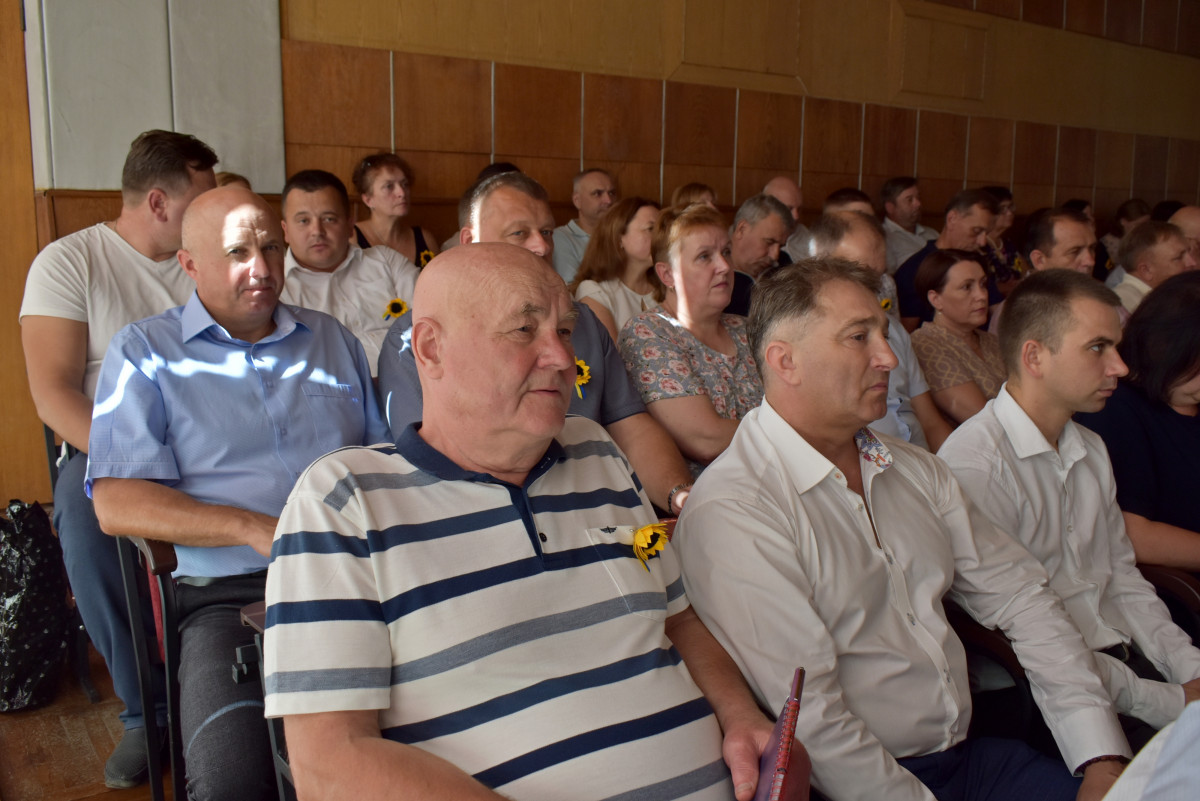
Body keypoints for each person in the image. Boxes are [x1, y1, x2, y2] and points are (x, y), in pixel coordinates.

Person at [262, 243, 795, 801]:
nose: (562, 357)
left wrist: (740, 715)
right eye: (523, 330)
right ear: (431, 348)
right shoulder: (344, 500)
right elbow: (330, 764)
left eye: (565, 330)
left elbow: (678, 620)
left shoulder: (596, 451)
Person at [674, 258, 1132, 801]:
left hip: (969, 759)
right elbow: (813, 719)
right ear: (785, 361)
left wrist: (1099, 755)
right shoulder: (737, 507)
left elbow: (1023, 599)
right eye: (858, 337)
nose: (889, 357)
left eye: (884, 333)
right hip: (857, 784)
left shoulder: (915, 469)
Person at [86, 186, 389, 801]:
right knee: (233, 781)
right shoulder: (145, 352)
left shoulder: (332, 340)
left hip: (354, 574)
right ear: (189, 264)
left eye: (272, 249)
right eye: (237, 253)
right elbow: (115, 501)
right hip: (228, 596)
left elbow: (382, 461)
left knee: (428, 735)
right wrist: (249, 527)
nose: (262, 268)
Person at [19, 129, 218, 788]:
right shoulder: (70, 262)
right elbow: (53, 391)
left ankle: (229, 678)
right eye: (200, 200)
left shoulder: (208, 259)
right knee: (85, 516)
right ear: (159, 202)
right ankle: (145, 708)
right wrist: (132, 459)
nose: (212, 214)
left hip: (209, 433)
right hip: (108, 443)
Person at [939, 269, 1200, 737]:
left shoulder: (1090, 447)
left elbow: (1122, 578)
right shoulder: (975, 466)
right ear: (1034, 356)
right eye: (1098, 347)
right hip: (1047, 693)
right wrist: (1173, 700)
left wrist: (1189, 667)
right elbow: (1031, 637)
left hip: (1124, 658)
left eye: (1116, 346)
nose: (1120, 367)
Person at [377, 171, 696, 515]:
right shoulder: (423, 336)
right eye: (520, 233)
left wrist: (680, 497)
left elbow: (631, 426)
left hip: (594, 505)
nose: (541, 246)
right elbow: (436, 458)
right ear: (470, 240)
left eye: (546, 232)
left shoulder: (585, 321)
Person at [619, 204, 762, 476]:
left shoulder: (746, 329)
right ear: (667, 275)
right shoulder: (648, 332)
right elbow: (706, 440)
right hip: (705, 493)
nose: (725, 266)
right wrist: (797, 432)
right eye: (705, 256)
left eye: (726, 252)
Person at [1077, 272, 1200, 571]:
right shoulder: (1115, 406)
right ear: (1168, 351)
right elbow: (1132, 534)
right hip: (1172, 581)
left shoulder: (1190, 395)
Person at [807, 211, 953, 451]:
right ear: (819, 267)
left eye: (878, 276)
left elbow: (930, 422)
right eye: (860, 276)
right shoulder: (810, 340)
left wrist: (955, 467)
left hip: (921, 460)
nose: (875, 289)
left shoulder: (894, 329)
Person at [278, 169, 419, 373]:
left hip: (409, 380)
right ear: (285, 230)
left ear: (350, 224)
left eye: (329, 219)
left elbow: (428, 321)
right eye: (303, 221)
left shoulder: (386, 261)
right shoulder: (277, 287)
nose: (317, 231)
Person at [910, 249, 1006, 424]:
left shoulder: (990, 341)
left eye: (983, 284)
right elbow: (983, 420)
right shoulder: (925, 343)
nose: (982, 295)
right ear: (936, 299)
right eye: (967, 287)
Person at [895, 189, 1000, 332]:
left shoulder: (978, 263)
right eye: (976, 231)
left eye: (986, 234)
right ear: (952, 219)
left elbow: (997, 311)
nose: (982, 242)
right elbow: (907, 334)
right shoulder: (913, 270)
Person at [987, 207, 1099, 335]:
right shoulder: (1019, 313)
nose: (1090, 261)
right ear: (1039, 260)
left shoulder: (1100, 300)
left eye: (1092, 248)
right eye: (1074, 252)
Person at [569, 196, 660, 341]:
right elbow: (611, 354)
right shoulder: (596, 292)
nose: (661, 237)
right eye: (650, 229)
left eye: (663, 230)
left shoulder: (667, 287)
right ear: (619, 238)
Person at [351, 152, 439, 267]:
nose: (402, 193)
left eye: (405, 184)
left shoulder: (425, 239)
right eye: (389, 186)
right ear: (368, 200)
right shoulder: (351, 237)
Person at [724, 194, 794, 315]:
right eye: (769, 242)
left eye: (781, 246)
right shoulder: (715, 271)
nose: (775, 256)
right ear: (742, 229)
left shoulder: (784, 264)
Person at [1112, 221, 1197, 314]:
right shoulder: (1123, 309)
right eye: (1179, 258)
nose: (1193, 263)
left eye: (1189, 251)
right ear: (1146, 270)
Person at [553, 168, 618, 282]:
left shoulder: (623, 235)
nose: (608, 200)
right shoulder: (561, 237)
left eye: (611, 193)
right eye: (597, 193)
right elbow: (572, 288)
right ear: (577, 200)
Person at [881, 176, 938, 274]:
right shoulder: (884, 237)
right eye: (909, 200)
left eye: (918, 198)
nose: (918, 204)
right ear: (890, 207)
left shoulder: (932, 233)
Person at [979, 186, 1023, 296]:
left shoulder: (1008, 244)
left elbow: (1025, 271)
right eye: (1003, 208)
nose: (1009, 213)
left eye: (1010, 207)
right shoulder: (979, 244)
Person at [762, 175, 808, 262]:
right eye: (789, 209)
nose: (796, 216)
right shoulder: (750, 236)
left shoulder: (807, 238)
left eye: (799, 209)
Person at [1100, 199, 1151, 268]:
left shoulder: (1147, 240)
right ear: (1123, 221)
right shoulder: (1107, 244)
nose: (1142, 229)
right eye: (1138, 225)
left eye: (1146, 225)